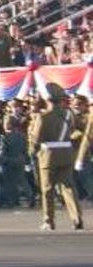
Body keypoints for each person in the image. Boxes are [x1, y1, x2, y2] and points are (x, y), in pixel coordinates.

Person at [29, 86, 83, 230]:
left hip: (48, 155)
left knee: (47, 190)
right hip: (66, 154)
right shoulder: (68, 114)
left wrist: (32, 150)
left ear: (48, 100)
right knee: (68, 187)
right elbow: (79, 130)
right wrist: (69, 141)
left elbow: (36, 138)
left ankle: (48, 221)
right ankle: (77, 218)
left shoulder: (42, 116)